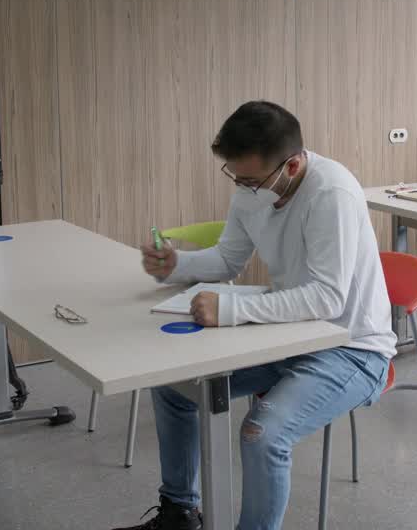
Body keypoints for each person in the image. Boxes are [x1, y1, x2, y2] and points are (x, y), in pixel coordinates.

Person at [116, 100, 396, 530]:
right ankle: (180, 513)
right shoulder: (254, 188)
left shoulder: (331, 193)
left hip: (352, 347)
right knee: (174, 387)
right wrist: (178, 265)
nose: (243, 189)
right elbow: (229, 259)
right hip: (287, 335)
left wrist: (230, 308)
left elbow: (328, 299)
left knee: (262, 436)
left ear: (293, 165)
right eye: (236, 176)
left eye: (251, 179)